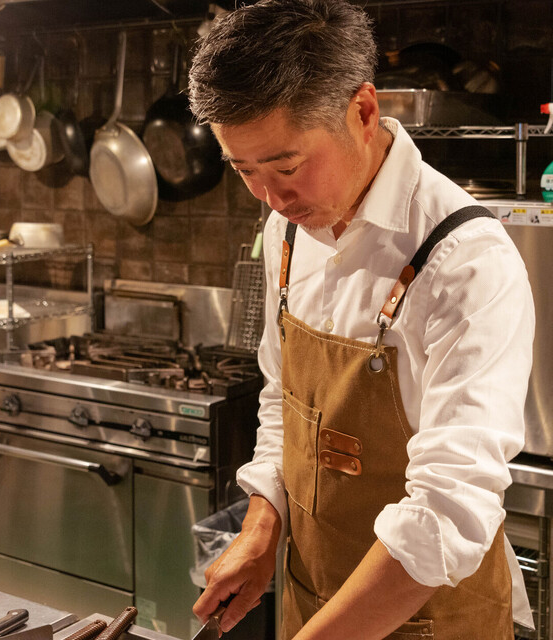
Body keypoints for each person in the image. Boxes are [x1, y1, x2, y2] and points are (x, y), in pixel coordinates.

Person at [188, 1, 536, 638]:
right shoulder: (287, 231)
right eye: (244, 170)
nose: (271, 197)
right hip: (312, 603)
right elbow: (285, 401)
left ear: (364, 111)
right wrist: (264, 522)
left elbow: (449, 510)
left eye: (287, 166)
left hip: (434, 621)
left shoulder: (464, 259)